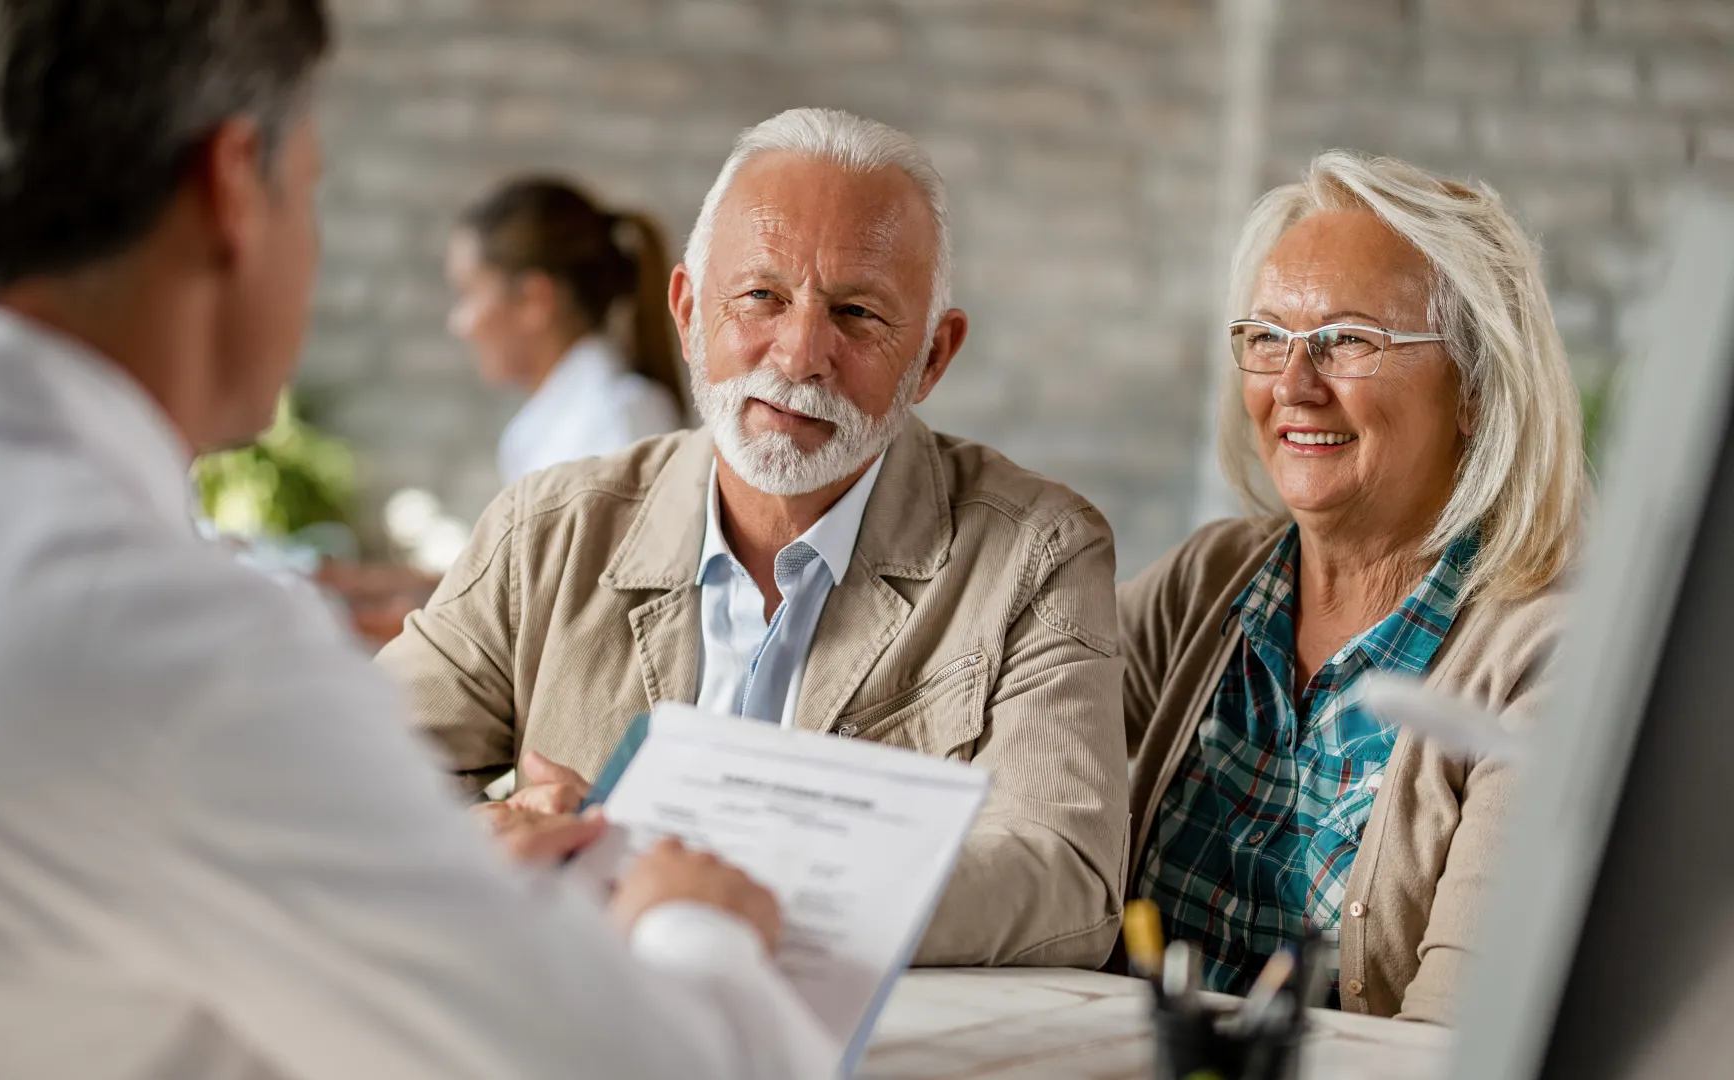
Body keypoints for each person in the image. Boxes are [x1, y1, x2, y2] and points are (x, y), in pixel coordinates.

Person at [0, 3, 838, 1078]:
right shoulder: (186, 653)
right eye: (311, 188)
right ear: (231, 184)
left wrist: (426, 872)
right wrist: (694, 921)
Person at [379, 107, 1129, 969]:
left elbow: (1066, 878)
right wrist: (484, 838)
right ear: (689, 312)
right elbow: (346, 775)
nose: (801, 352)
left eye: (856, 313)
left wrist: (725, 888)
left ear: (932, 358)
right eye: (761, 297)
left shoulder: (1039, 554)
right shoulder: (544, 529)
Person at [1121, 150, 1586, 1021]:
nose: (1294, 386)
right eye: (1268, 338)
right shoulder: (1203, 584)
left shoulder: (1547, 660)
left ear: (1476, 387)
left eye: (1347, 341)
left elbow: (1455, 1044)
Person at [447, 177, 688, 484]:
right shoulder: (550, 424)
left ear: (534, 300)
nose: (459, 324)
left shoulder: (619, 419)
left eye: (469, 293)